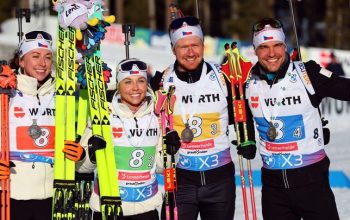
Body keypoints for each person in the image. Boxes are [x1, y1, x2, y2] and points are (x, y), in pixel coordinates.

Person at [151, 15, 256, 220]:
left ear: (203, 45)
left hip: (220, 180)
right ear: (173, 49)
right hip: (180, 180)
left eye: (195, 45)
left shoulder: (223, 77)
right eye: (183, 46)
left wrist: (247, 137)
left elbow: (243, 111)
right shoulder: (160, 82)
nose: (190, 52)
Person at [245, 18, 350, 220]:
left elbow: (345, 88)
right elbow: (238, 116)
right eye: (264, 47)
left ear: (285, 46)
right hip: (273, 190)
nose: (272, 53)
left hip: (312, 185)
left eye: (277, 45)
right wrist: (246, 138)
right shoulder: (248, 81)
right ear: (255, 50)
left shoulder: (307, 73)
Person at [66, 58, 181, 220]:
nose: (135, 88)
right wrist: (90, 154)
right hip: (108, 207)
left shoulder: (157, 115)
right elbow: (83, 168)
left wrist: (171, 152)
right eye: (127, 82)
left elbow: (162, 167)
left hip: (146, 208)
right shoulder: (104, 114)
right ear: (118, 85)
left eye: (141, 81)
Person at [0, 30, 55, 220]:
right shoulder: (6, 91)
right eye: (35, 56)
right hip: (12, 194)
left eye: (48, 57)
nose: (42, 63)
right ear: (21, 61)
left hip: (51, 195)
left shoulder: (59, 94)